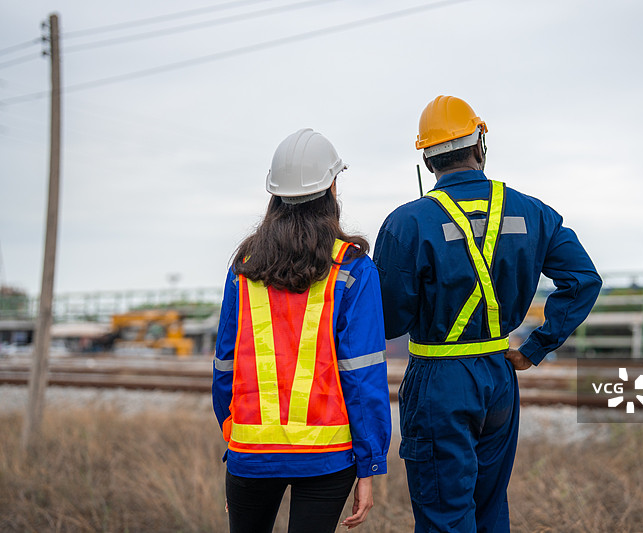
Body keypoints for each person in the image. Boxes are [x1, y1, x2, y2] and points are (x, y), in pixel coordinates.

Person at [373, 96, 602, 532]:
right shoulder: (532, 212)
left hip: (439, 382)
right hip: (499, 378)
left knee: (445, 517)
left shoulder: (408, 222)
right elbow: (583, 280)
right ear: (480, 144)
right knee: (490, 512)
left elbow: (390, 322)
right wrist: (535, 348)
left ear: (427, 158)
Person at [212, 128, 392, 533]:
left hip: (251, 452)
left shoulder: (245, 266)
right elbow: (362, 376)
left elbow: (225, 366)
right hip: (327, 456)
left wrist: (235, 437)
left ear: (274, 194)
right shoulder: (352, 268)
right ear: (332, 187)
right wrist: (369, 464)